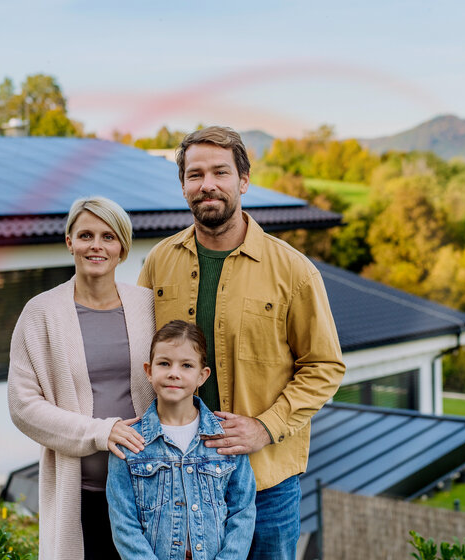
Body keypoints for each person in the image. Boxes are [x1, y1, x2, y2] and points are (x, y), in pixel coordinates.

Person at [137, 126, 346, 559]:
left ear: (243, 181)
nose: (207, 184)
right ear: (183, 186)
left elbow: (325, 367)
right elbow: (141, 356)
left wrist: (265, 427)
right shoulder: (158, 262)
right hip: (177, 479)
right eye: (195, 175)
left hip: (265, 484)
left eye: (220, 172)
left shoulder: (293, 271)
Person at [7, 196, 155, 560]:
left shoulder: (149, 305)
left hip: (151, 490)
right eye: (86, 235)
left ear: (122, 247)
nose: (96, 246)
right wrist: (101, 432)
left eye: (108, 236)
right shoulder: (41, 313)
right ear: (69, 241)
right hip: (82, 493)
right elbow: (23, 406)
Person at [107, 320, 256, 560]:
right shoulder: (130, 442)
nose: (174, 373)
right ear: (149, 370)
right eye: (164, 363)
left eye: (186, 365)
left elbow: (243, 512)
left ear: (202, 375)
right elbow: (124, 524)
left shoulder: (226, 438)